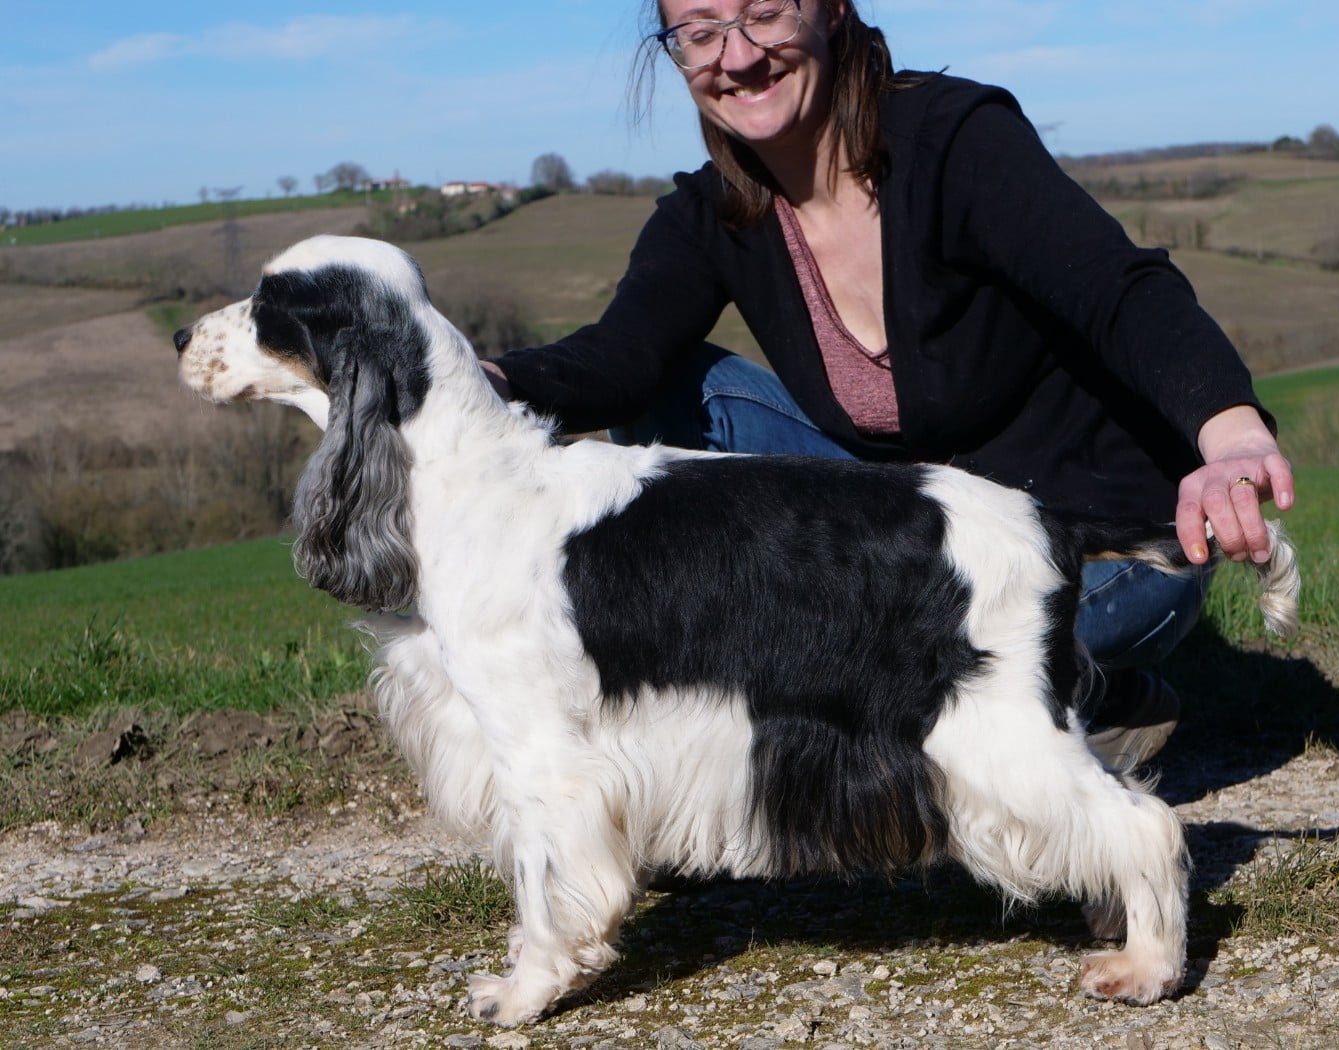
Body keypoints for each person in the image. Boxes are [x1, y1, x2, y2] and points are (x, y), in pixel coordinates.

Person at [482, 0, 1294, 770]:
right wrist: (476, 379)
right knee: (671, 394)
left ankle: (1068, 701)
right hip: (915, 535)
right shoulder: (713, 215)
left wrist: (1232, 437)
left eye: (765, 13)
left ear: (832, 8)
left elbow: (1120, 291)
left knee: (942, 653)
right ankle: (736, 737)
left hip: (1097, 538)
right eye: (698, 31)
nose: (737, 56)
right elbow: (615, 360)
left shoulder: (956, 141)